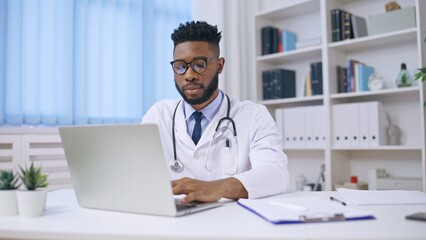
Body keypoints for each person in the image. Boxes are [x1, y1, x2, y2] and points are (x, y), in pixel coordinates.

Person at [141, 21, 288, 203]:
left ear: (219, 66)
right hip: (173, 224)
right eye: (180, 66)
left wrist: (215, 188)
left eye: (199, 64)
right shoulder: (158, 115)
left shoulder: (253, 116)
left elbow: (276, 174)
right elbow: (137, 173)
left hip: (232, 226)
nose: (189, 75)